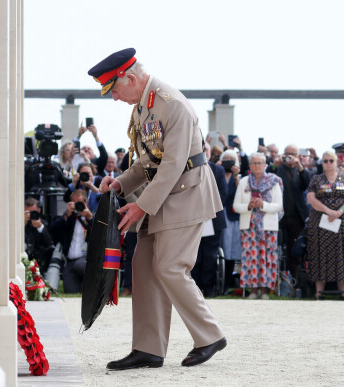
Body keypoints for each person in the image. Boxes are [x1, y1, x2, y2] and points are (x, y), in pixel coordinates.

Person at [90, 48, 226, 370]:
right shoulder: (143, 107)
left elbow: (174, 164)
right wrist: (121, 183)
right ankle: (148, 349)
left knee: (169, 266)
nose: (114, 98)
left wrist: (141, 207)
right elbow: (148, 161)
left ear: (131, 78)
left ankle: (210, 336)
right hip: (162, 196)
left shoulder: (171, 104)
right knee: (144, 266)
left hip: (186, 194)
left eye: (114, 90)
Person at [306, 151, 344, 300]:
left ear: (337, 162)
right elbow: (310, 197)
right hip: (321, 222)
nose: (328, 163)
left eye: (331, 161)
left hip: (343, 222)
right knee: (320, 254)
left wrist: (339, 211)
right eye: (325, 161)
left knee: (342, 254)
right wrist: (328, 211)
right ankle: (319, 293)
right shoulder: (316, 179)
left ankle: (343, 292)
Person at [232, 152, 283, 299]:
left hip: (268, 226)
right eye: (254, 163)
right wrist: (248, 206)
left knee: (267, 258)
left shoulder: (274, 181)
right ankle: (253, 291)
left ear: (265, 165)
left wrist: (263, 204)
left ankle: (265, 291)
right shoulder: (244, 182)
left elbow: (278, 206)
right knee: (250, 258)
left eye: (260, 163)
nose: (257, 166)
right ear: (250, 166)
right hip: (249, 226)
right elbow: (236, 206)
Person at [267, 144, 310, 281]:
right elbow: (266, 178)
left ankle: (294, 278)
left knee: (295, 248)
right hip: (279, 214)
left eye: (293, 155)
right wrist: (274, 165)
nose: (289, 157)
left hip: (297, 215)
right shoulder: (278, 168)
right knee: (275, 245)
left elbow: (307, 184)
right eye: (287, 154)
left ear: (298, 156)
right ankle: (275, 276)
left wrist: (300, 166)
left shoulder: (300, 170)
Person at [192, 143, 228, 297]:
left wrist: (205, 208)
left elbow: (223, 194)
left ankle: (209, 288)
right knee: (194, 256)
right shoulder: (188, 168)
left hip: (212, 219)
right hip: (192, 219)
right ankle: (194, 289)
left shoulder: (218, 170)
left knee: (210, 256)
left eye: (205, 149)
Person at [50, 189, 93, 293]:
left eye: (80, 203)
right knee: (70, 290)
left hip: (86, 260)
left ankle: (89, 287)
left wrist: (90, 217)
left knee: (82, 266)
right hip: (70, 262)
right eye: (74, 203)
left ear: (86, 203)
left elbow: (102, 231)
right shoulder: (69, 218)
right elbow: (52, 229)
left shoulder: (91, 217)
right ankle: (82, 285)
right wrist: (66, 215)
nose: (77, 205)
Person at [219, 149, 242, 290]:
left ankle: (227, 283)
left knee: (231, 250)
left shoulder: (237, 177)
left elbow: (242, 192)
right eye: (225, 160)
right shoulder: (217, 173)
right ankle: (217, 283)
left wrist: (236, 175)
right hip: (219, 215)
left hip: (232, 217)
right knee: (219, 248)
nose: (228, 163)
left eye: (230, 160)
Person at [24, 198, 54, 273]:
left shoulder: (44, 223)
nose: (31, 215)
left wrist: (40, 227)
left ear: (39, 211)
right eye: (28, 212)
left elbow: (49, 244)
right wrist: (23, 224)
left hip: (40, 263)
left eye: (33, 212)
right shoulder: (21, 223)